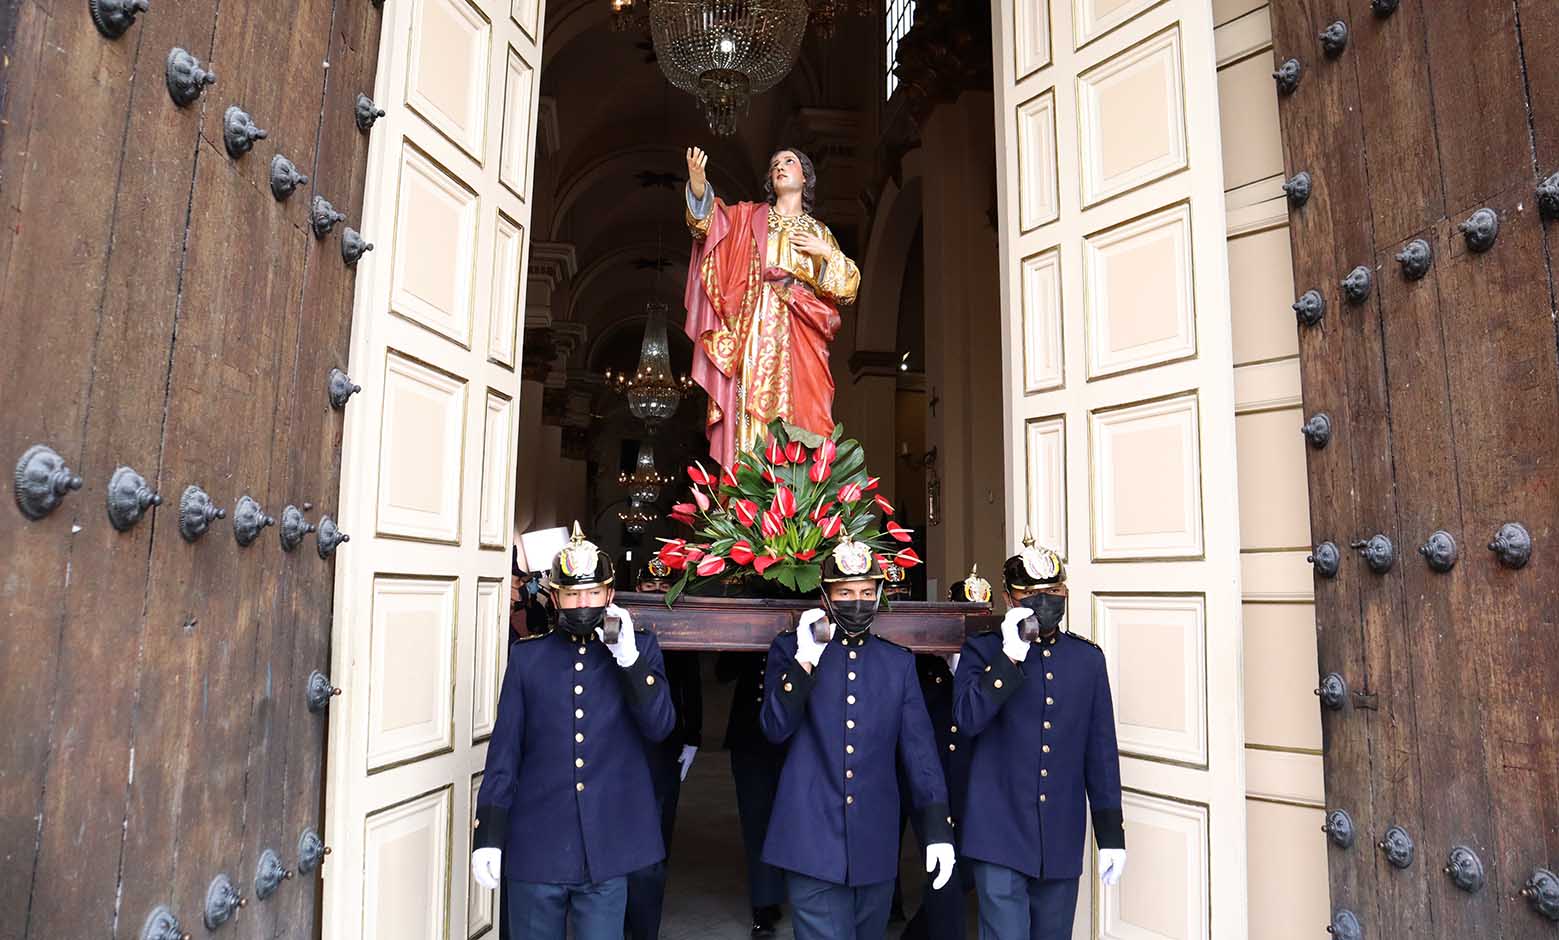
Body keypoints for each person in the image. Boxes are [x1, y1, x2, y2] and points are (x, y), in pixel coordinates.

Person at [471, 523, 676, 940]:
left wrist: (631, 662)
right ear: (555, 596)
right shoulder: (529, 658)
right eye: (572, 594)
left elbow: (660, 727)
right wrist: (489, 833)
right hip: (537, 844)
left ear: (610, 595)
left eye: (593, 593)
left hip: (608, 847)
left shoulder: (639, 650)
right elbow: (505, 753)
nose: (583, 603)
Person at [759, 536, 956, 940]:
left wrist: (937, 830)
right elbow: (775, 728)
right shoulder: (791, 650)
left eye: (867, 592)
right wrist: (805, 659)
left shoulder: (896, 662)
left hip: (875, 843)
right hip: (809, 839)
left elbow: (920, 753)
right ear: (826, 596)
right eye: (845, 592)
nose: (857, 602)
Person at [953, 531, 1127, 940]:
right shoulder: (982, 652)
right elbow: (967, 720)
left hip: (1059, 836)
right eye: (1030, 594)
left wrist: (1111, 834)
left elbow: (1100, 752)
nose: (1044, 601)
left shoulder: (1087, 660)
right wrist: (1010, 655)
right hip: (997, 833)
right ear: (1010, 599)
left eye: (1053, 591)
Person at [682, 144, 860, 467]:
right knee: (752, 409)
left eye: (789, 162)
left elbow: (848, 288)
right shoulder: (750, 220)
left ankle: (801, 498)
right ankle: (751, 495)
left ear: (805, 177)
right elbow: (711, 229)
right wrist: (698, 188)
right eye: (774, 163)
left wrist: (826, 253)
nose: (779, 167)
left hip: (803, 332)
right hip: (758, 325)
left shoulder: (819, 232)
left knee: (808, 413)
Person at [892, 567, 991, 940]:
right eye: (964, 614)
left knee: (961, 871)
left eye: (981, 615)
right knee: (942, 875)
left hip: (971, 784)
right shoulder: (919, 664)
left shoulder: (992, 665)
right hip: (924, 784)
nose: (970, 626)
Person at [624, 559, 704, 940]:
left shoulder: (680, 627)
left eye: (662, 589)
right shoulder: (621, 631)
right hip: (624, 743)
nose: (655, 595)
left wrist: (693, 737)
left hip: (664, 745)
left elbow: (691, 685)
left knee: (655, 845)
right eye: (647, 588)